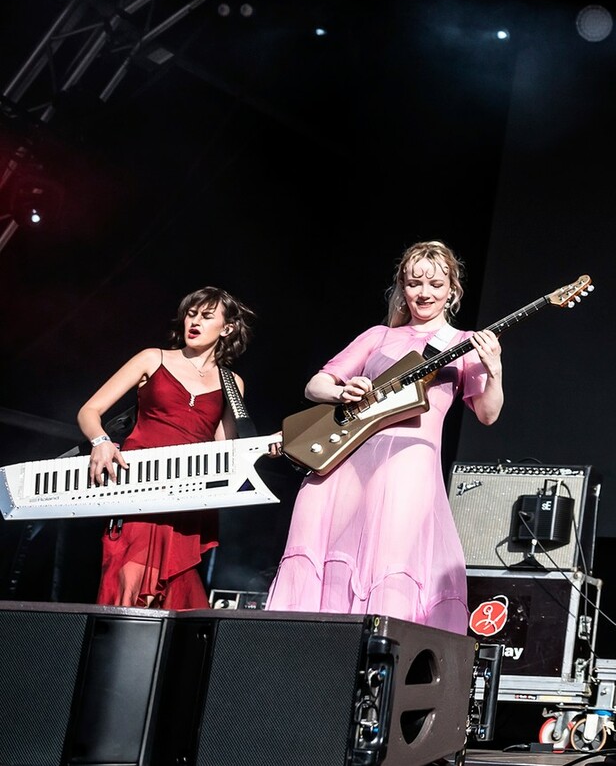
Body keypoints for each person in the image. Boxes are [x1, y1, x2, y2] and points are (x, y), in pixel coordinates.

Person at [264, 240, 502, 631]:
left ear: (452, 290)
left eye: (435, 284)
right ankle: (308, 644)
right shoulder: (378, 336)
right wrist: (344, 391)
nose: (424, 293)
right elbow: (315, 385)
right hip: (347, 457)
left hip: (409, 461)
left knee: (389, 560)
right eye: (414, 283)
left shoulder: (462, 344)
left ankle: (378, 650)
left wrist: (494, 370)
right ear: (402, 288)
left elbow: (488, 414)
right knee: (321, 543)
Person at [77, 285, 255, 609]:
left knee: (180, 602)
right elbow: (89, 410)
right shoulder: (152, 358)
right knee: (129, 587)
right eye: (191, 314)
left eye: (206, 316)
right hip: (139, 486)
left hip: (187, 497)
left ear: (227, 328)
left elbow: (224, 450)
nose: (195, 322)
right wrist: (101, 442)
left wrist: (263, 449)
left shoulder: (232, 382)